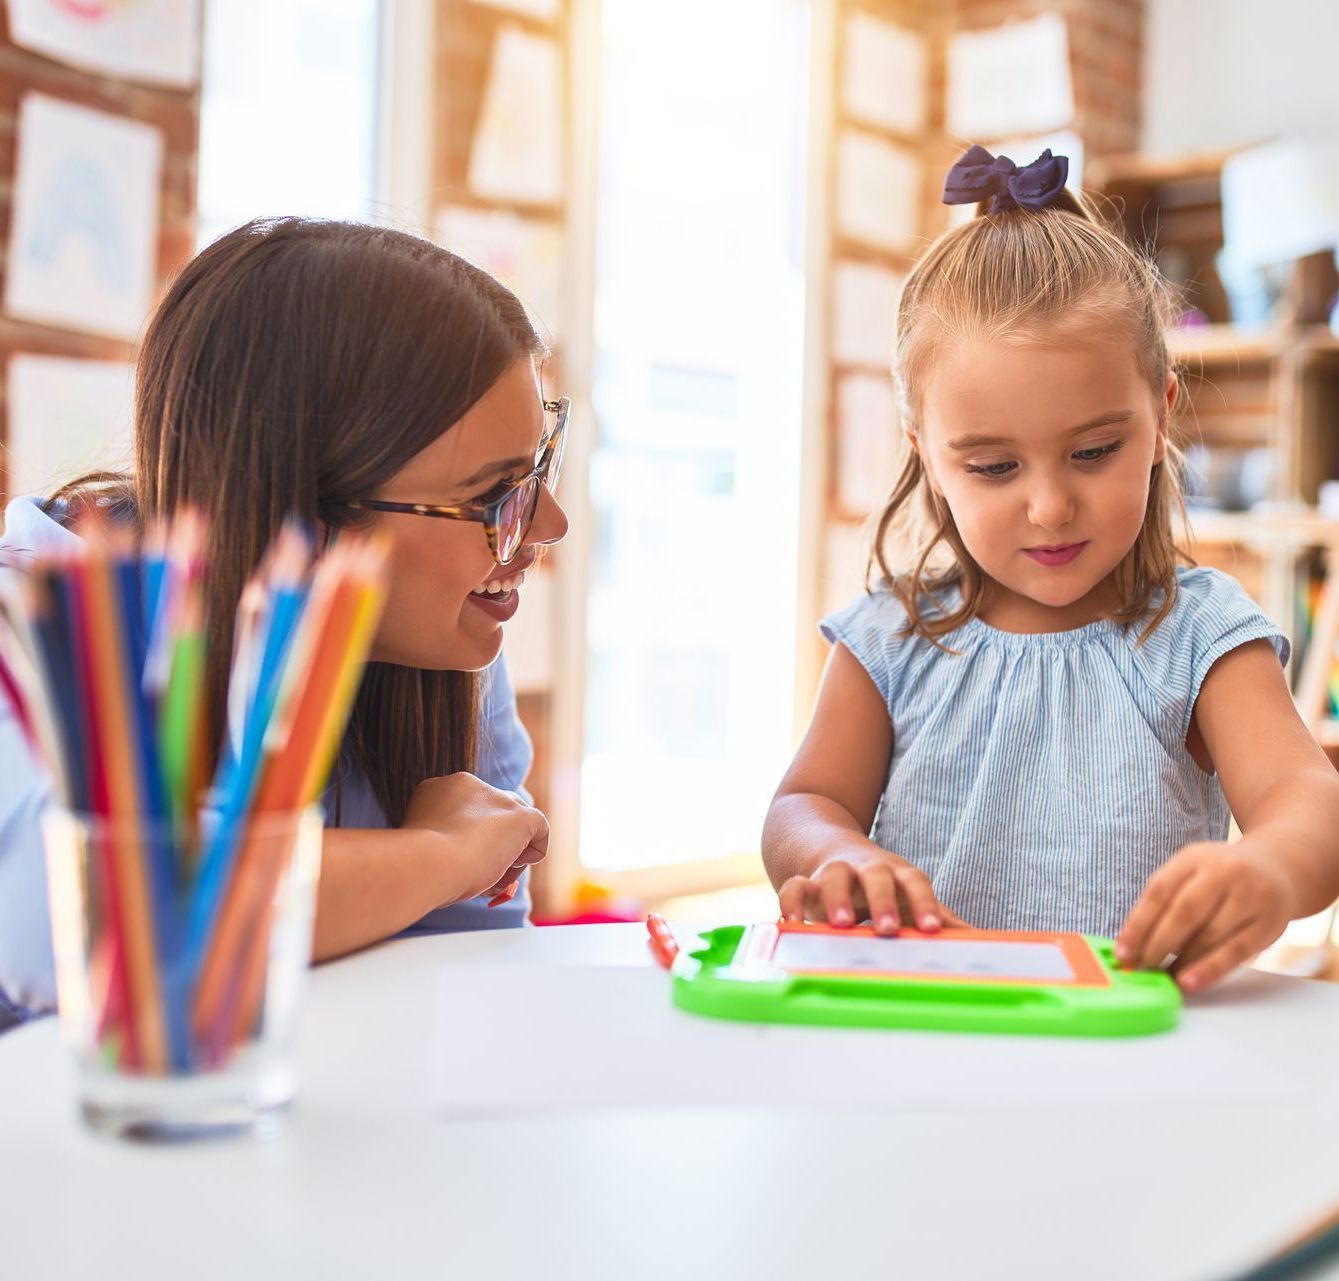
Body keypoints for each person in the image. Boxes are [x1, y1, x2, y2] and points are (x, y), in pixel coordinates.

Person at [762, 147, 1339, 992]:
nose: (1050, 506)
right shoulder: (888, 637)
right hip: (926, 1037)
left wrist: (1270, 869)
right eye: (994, 467)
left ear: (1161, 416)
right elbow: (799, 806)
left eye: (1095, 450)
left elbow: (1310, 801)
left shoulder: (1199, 636)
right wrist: (837, 852)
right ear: (926, 455)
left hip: (1131, 1058)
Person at [0, 217, 568, 1027]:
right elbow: (66, 925)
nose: (548, 524)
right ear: (304, 511)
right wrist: (435, 855)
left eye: (538, 466)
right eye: (492, 497)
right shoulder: (42, 621)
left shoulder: (443, 633)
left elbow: (460, 967)